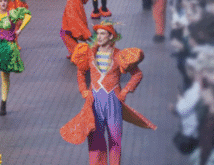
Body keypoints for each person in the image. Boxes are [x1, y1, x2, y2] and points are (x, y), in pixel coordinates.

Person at [60, 22, 156, 165]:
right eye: (97, 34)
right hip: (94, 102)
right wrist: (83, 90)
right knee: (95, 140)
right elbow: (80, 71)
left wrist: (125, 91)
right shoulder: (90, 53)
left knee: (115, 139)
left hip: (114, 102)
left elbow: (137, 74)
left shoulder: (119, 55)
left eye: (103, 34)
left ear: (111, 36)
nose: (99, 37)